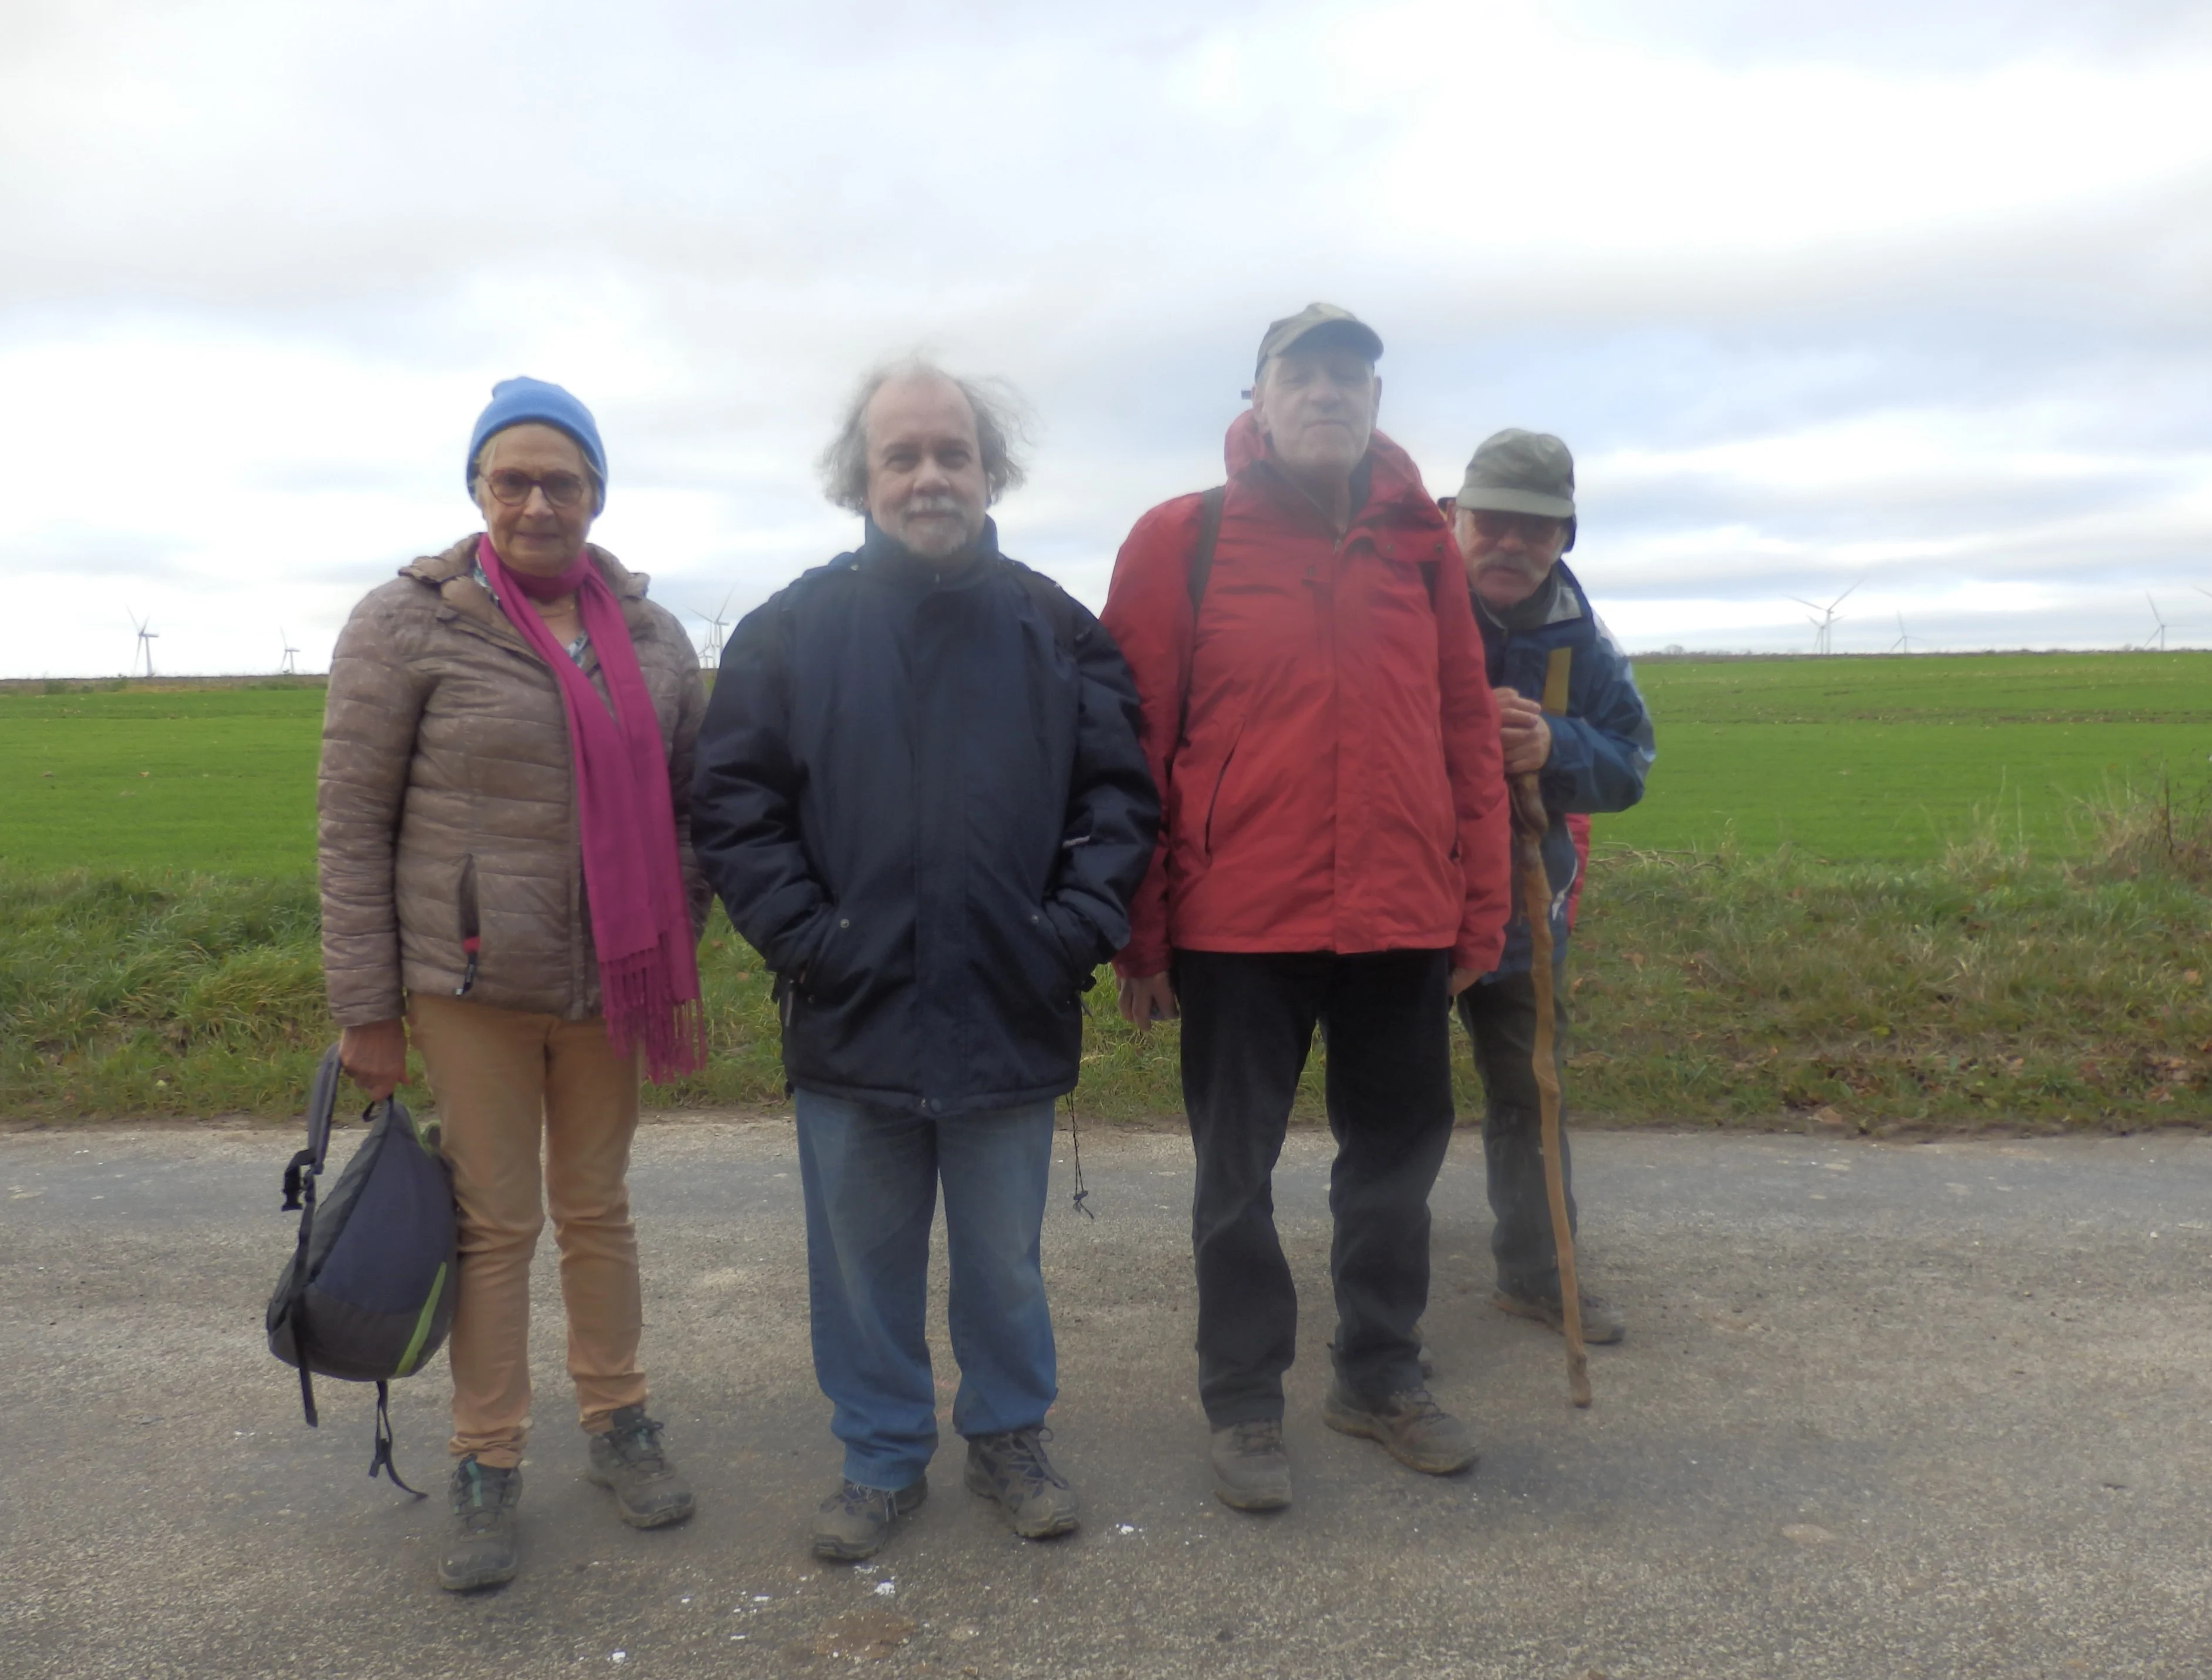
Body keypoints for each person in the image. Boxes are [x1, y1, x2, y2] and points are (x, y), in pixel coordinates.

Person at [692, 360, 1157, 1562]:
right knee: (862, 1265)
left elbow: (1120, 800)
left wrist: (1067, 937)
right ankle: (882, 1459)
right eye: (902, 455)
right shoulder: (789, 631)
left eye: (952, 452)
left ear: (989, 470)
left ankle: (1009, 1439)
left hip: (1010, 1007)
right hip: (851, 1013)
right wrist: (808, 939)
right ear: (862, 477)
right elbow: (736, 806)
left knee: (1003, 1259)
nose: (930, 475)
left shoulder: (1057, 630)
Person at [1101, 305, 1514, 1513]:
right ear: (1260, 396)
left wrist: (1476, 909)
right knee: (1236, 1176)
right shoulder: (1185, 537)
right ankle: (1243, 1400)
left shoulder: (1424, 546)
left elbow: (1464, 729)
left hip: (1403, 916)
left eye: (1352, 375)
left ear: (1377, 401)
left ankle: (1381, 1376)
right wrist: (1142, 930)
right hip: (1241, 924)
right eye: (1305, 373)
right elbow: (1134, 743)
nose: (1329, 392)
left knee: (1393, 1165)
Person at [319, 377, 708, 1592]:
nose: (540, 503)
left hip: (616, 986)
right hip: (468, 986)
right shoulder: (407, 623)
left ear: (598, 493)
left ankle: (620, 1425)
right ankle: (488, 1461)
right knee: (494, 1225)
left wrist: (676, 937)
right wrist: (365, 1010)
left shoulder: (651, 635)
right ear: (479, 492)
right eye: (514, 480)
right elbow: (350, 824)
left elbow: (697, 810)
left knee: (599, 1209)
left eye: (566, 481)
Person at [1449, 429, 1653, 1343]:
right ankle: (1377, 1317)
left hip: (1530, 912)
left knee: (1531, 1094)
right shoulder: (1403, 613)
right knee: (1395, 1112)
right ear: (1455, 520)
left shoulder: (1585, 640)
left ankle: (1537, 1276)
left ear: (1565, 537)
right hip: (1413, 913)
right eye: (1493, 521)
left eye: (1536, 529)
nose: (1511, 544)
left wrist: (1554, 748)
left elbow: (1631, 766)